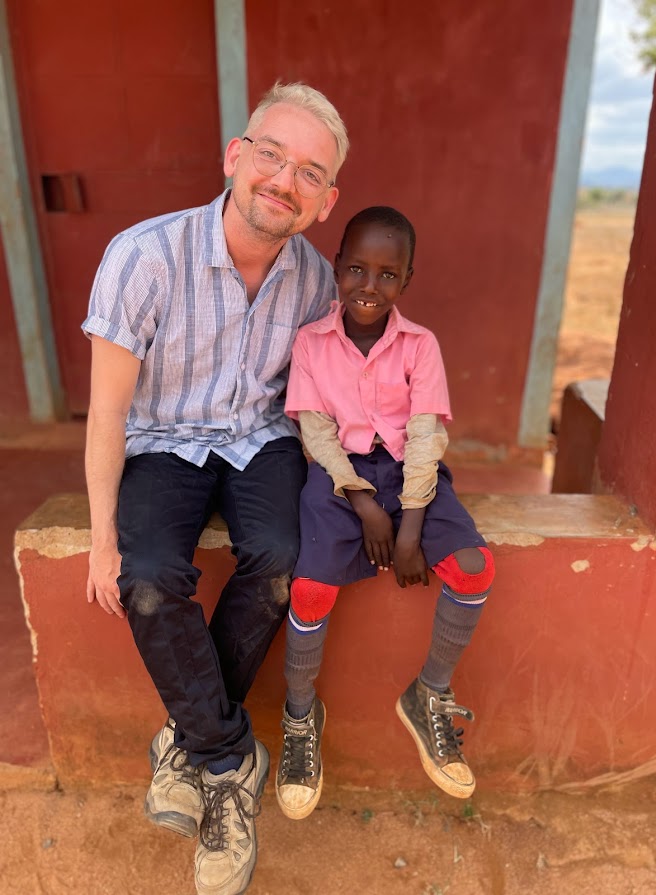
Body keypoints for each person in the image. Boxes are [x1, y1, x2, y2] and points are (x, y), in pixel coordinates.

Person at [82, 82, 347, 895]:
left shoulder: (316, 280)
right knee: (151, 579)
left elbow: (319, 399)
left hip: (259, 438)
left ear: (325, 200)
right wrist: (102, 536)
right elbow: (111, 410)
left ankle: (188, 743)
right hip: (162, 438)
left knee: (278, 557)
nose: (283, 181)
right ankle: (228, 759)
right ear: (236, 157)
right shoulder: (144, 255)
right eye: (271, 155)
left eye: (309, 172)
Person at [274, 206, 495, 820]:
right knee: (311, 588)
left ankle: (429, 693)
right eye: (355, 269)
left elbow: (424, 436)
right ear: (336, 271)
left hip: (410, 475)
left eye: (387, 275)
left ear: (407, 280)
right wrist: (367, 507)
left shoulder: (420, 347)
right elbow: (316, 434)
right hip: (339, 479)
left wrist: (410, 526)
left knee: (474, 570)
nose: (369, 287)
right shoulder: (312, 343)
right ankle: (299, 715)